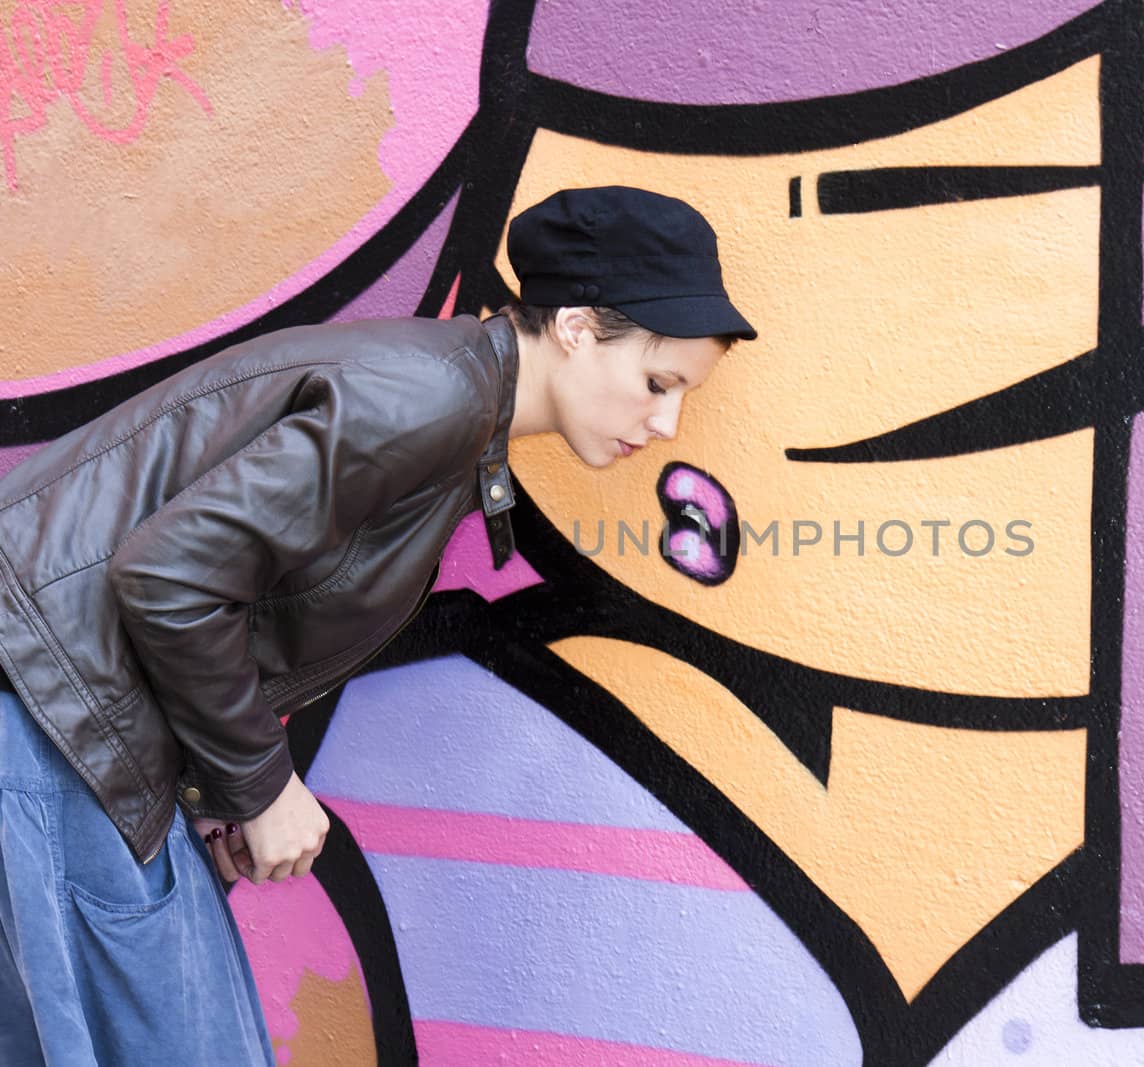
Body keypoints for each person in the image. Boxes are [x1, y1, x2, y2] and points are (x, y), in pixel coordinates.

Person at [0, 185, 755, 1065]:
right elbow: (168, 579)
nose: (666, 424)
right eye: (658, 383)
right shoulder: (426, 402)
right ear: (580, 327)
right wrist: (265, 787)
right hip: (51, 719)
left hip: (62, 713)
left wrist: (224, 786)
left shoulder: (450, 397)